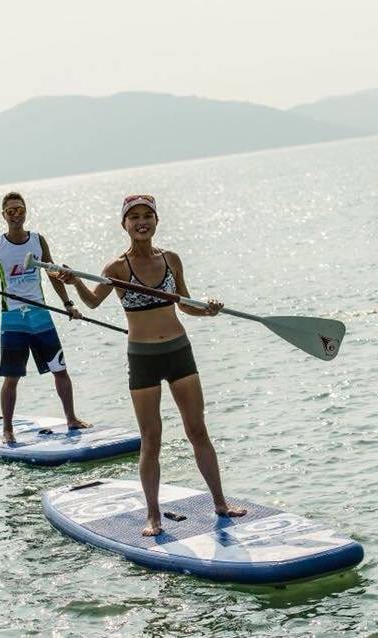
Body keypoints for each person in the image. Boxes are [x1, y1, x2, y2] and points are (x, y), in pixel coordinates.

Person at [53, 194, 246, 536]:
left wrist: (209, 308)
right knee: (151, 439)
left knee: (197, 430)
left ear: (156, 220)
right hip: (142, 358)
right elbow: (92, 303)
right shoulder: (115, 268)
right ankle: (153, 515)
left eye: (147, 216)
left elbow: (185, 304)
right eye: (134, 217)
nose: (141, 221)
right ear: (124, 224)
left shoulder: (171, 259)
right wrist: (75, 282)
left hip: (179, 351)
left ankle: (220, 501)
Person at [0, 192, 91, 444]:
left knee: (60, 370)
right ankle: (7, 430)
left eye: (19, 210)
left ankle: (72, 418)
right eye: (10, 211)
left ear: (25, 212)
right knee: (12, 378)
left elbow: (53, 273)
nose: (16, 215)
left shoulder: (38, 241)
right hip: (13, 319)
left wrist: (68, 304)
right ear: (3, 215)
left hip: (40, 315)